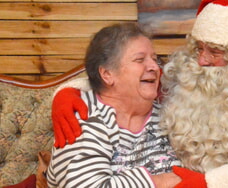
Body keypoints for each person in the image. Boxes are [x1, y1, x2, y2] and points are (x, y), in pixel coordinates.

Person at [51, 0, 228, 187]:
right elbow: (122, 81)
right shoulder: (192, 77)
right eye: (198, 48)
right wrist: (67, 93)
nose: (201, 60)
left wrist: (207, 183)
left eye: (213, 52)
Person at [46, 22, 182, 188]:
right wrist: (161, 181)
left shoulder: (169, 113)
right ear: (107, 74)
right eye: (140, 60)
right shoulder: (85, 118)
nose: (154, 67)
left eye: (154, 59)